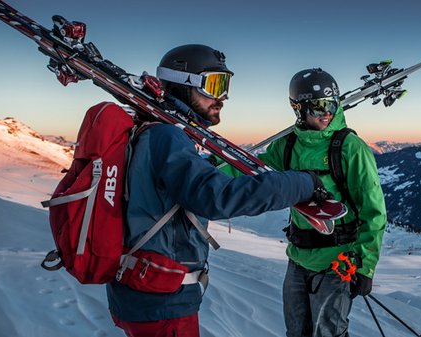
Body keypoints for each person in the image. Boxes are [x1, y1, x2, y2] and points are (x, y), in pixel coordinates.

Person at [105, 46, 334, 337]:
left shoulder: (152, 131)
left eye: (225, 86)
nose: (223, 97)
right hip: (160, 300)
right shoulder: (166, 136)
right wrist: (302, 183)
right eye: (214, 85)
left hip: (148, 290)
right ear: (182, 84)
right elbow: (216, 197)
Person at [255, 68, 387, 336]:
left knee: (328, 333)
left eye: (331, 103)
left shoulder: (351, 148)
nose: (326, 112)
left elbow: (374, 212)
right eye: (317, 107)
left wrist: (365, 266)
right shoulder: (287, 146)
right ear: (298, 109)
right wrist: (212, 169)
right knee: (296, 332)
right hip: (298, 259)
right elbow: (254, 171)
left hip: (337, 264)